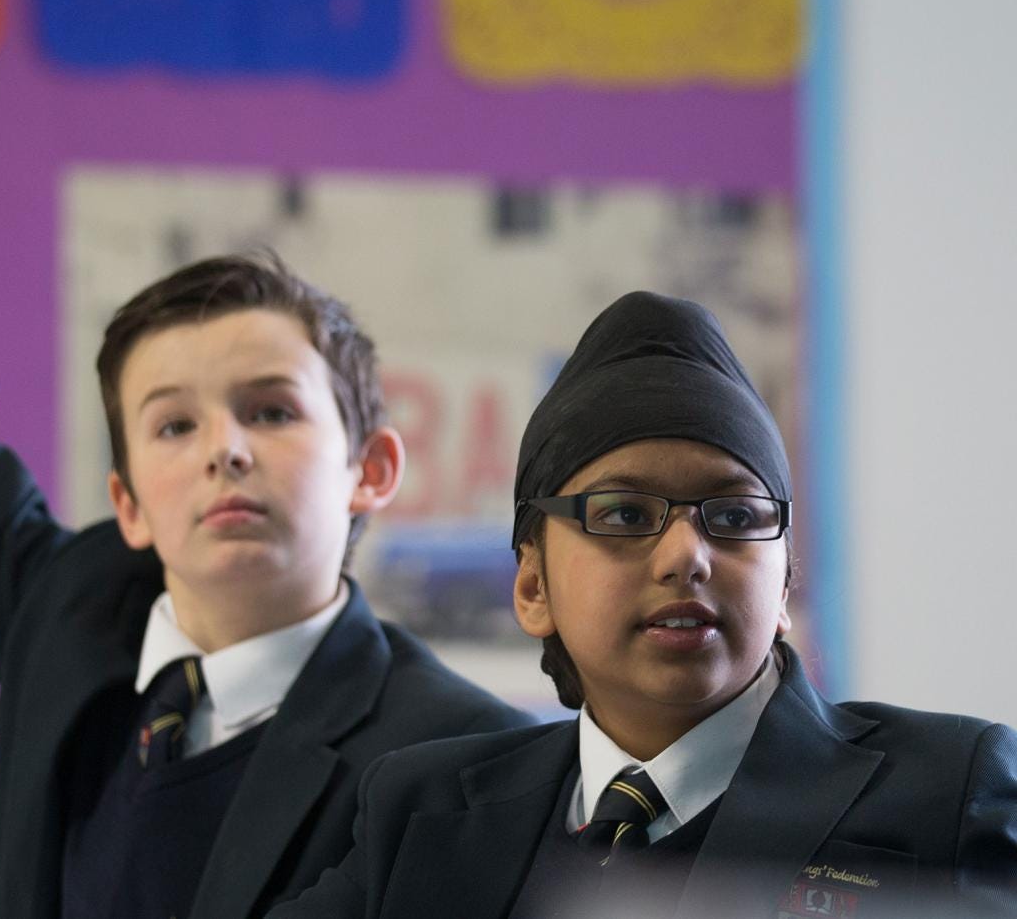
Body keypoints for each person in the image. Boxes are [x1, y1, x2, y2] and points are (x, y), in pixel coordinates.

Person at [0, 0, 531, 919]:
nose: (225, 449)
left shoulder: (458, 764)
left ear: (371, 468)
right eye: (175, 424)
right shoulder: (64, 615)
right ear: (131, 503)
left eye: (271, 411)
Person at [270, 291, 1017, 919]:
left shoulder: (947, 793)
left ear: (785, 582)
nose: (686, 556)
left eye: (733, 517)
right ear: (533, 587)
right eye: (624, 516)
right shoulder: (421, 812)